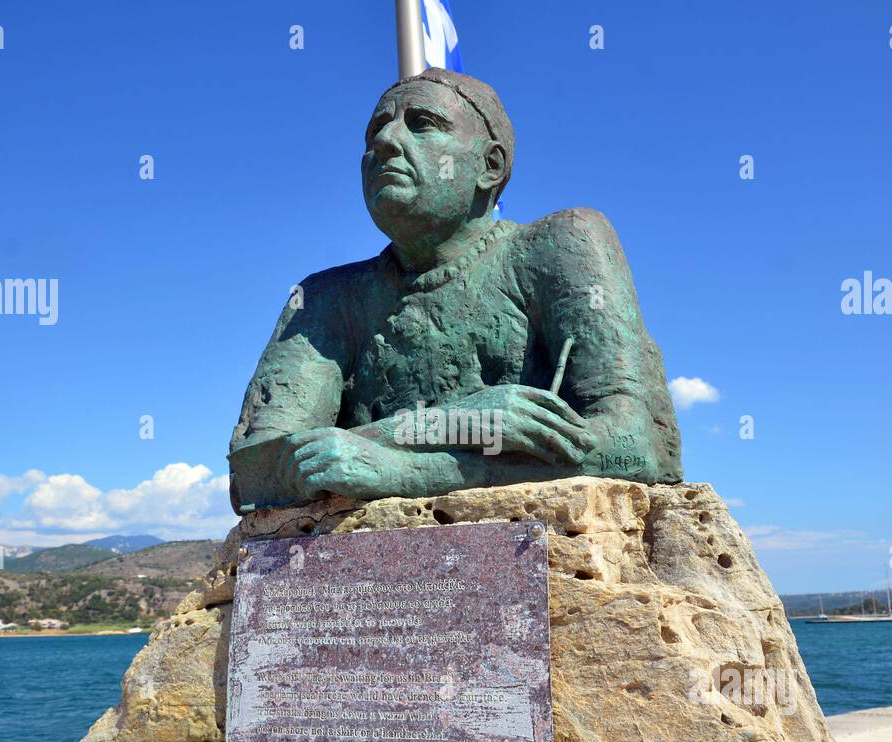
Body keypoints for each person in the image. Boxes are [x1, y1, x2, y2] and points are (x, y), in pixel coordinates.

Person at [229, 69, 681, 513]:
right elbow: (255, 474)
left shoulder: (562, 244)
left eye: (422, 124)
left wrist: (402, 472)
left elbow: (633, 448)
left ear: (490, 165)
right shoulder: (325, 298)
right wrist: (457, 424)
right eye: (373, 133)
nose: (385, 141)